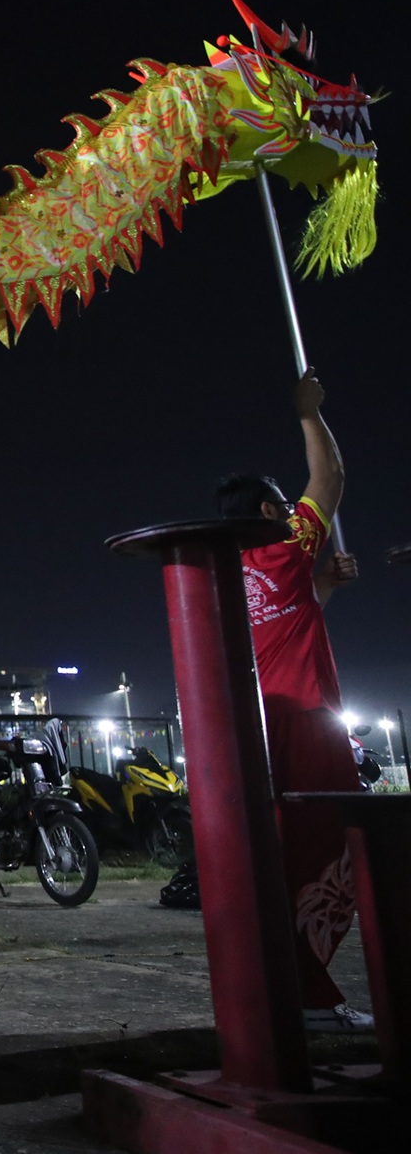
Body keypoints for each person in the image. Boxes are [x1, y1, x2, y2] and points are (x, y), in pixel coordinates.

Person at [216, 369, 370, 1033]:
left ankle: (291, 988)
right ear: (271, 513)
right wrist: (310, 415)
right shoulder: (281, 550)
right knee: (337, 850)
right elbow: (331, 478)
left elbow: (281, 631)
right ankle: (308, 993)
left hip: (260, 730)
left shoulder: (228, 574)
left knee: (287, 854)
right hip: (307, 727)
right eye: (283, 501)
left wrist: (322, 590)